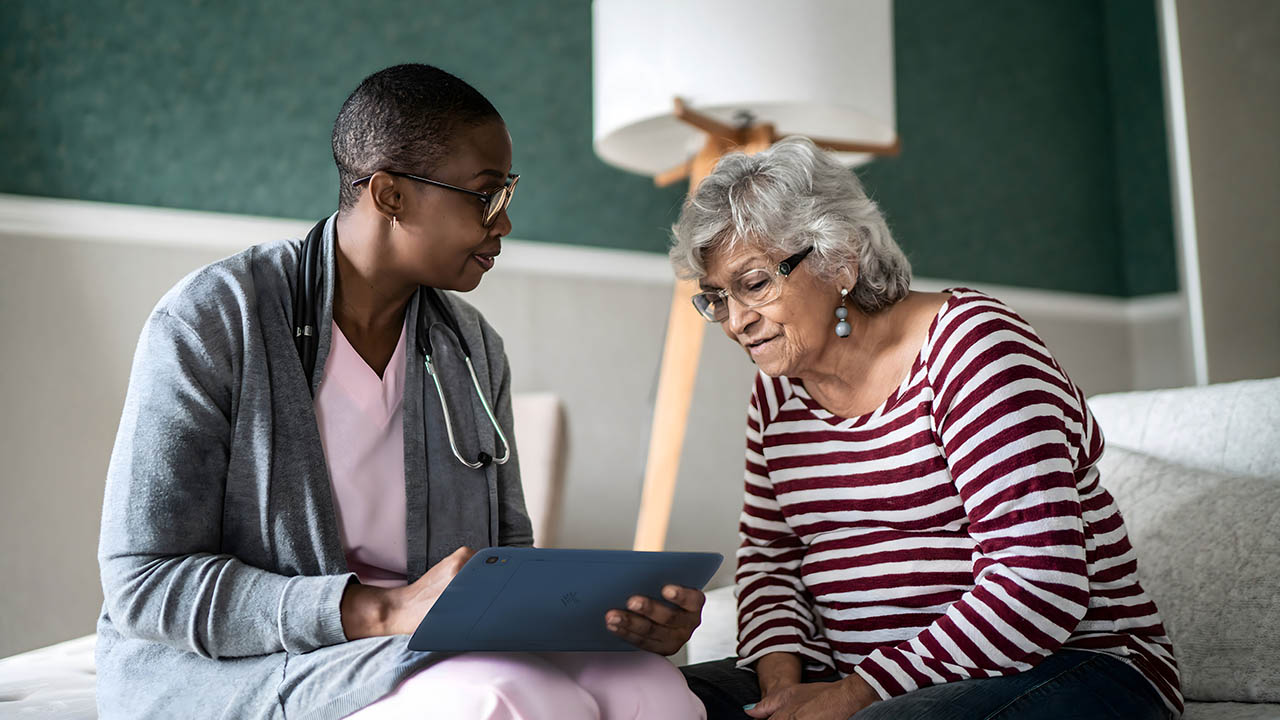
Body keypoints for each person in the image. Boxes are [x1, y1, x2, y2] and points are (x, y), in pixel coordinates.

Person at [96, 64, 705, 720]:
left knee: (652, 688)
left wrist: (610, 619)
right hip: (242, 666)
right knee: (512, 697)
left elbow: (507, 567)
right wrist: (383, 608)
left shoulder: (471, 347)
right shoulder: (215, 319)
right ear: (389, 195)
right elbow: (145, 582)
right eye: (485, 196)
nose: (503, 224)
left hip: (419, 645)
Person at [672, 137, 1182, 720]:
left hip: (1070, 665)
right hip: (866, 676)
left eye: (755, 283)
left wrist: (856, 694)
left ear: (838, 259)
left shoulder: (973, 348)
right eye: (716, 298)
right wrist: (779, 692)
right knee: (666, 704)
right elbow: (772, 557)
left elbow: (1038, 578)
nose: (736, 322)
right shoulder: (777, 391)